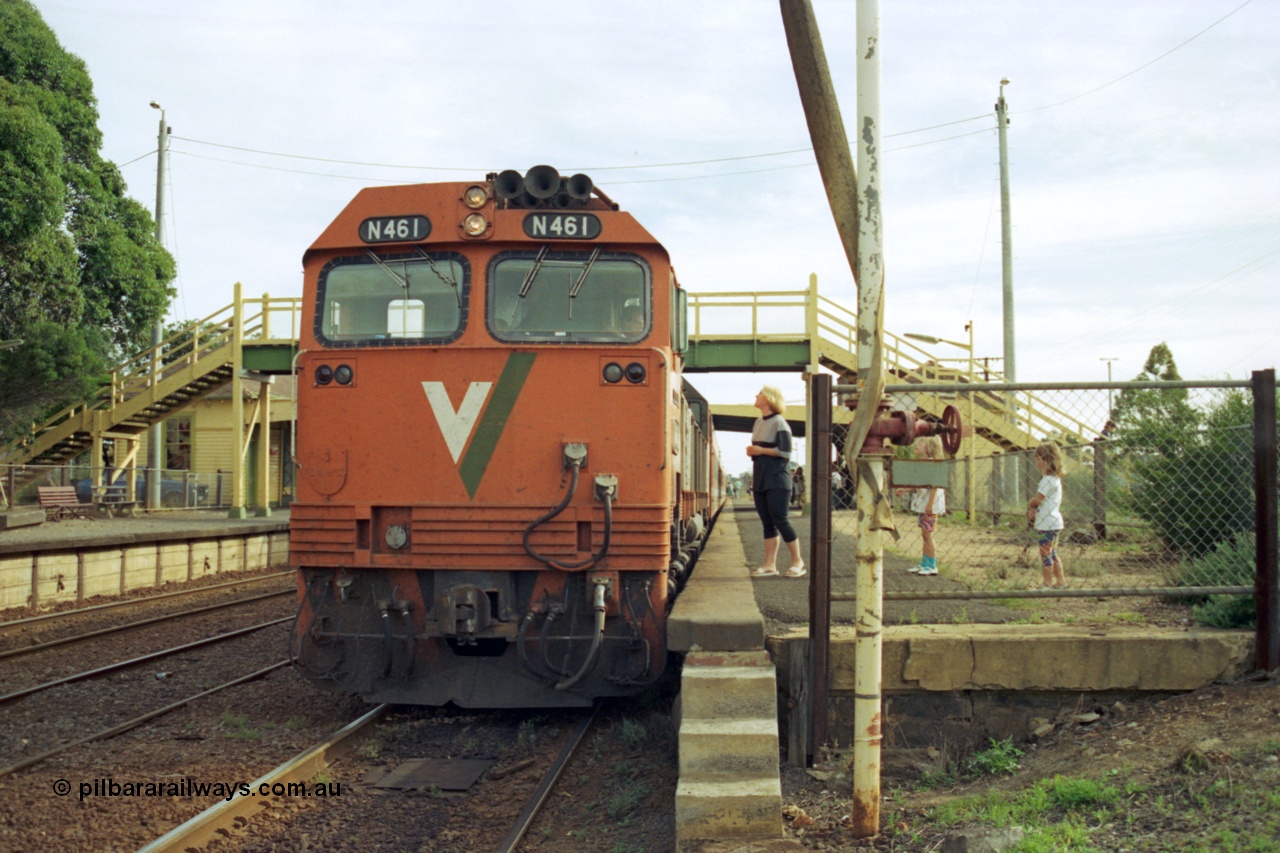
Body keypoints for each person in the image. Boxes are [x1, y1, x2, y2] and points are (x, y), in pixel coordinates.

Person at [747, 386, 805, 578]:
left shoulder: (780, 423)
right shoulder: (757, 422)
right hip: (761, 477)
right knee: (767, 522)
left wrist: (761, 451)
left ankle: (798, 561)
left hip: (778, 478)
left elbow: (786, 452)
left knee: (780, 519)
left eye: (760, 393)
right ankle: (770, 565)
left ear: (770, 399)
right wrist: (754, 451)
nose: (756, 395)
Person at [1027, 442, 1066, 588]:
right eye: (1036, 459)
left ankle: (1047, 582)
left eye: (1039, 459)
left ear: (1048, 460)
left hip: (1046, 524)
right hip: (1054, 522)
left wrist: (1030, 504)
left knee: (1045, 553)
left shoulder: (1046, 480)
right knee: (1053, 553)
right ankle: (1060, 581)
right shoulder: (1055, 479)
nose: (1038, 463)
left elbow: (1038, 499)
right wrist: (1034, 509)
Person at [908, 436, 946, 576]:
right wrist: (904, 490)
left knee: (928, 534)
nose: (917, 444)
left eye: (921, 442)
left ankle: (932, 565)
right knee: (924, 534)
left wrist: (930, 505)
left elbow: (935, 485)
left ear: (930, 447)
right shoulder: (922, 463)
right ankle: (924, 563)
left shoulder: (931, 463)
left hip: (930, 505)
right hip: (923, 504)